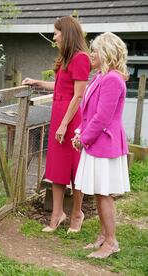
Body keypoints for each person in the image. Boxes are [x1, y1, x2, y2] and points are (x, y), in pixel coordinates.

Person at [22, 16, 90, 232]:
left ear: (67, 33)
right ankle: (57, 213)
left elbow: (78, 95)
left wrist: (63, 125)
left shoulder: (81, 58)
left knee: (75, 169)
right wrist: (37, 81)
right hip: (59, 113)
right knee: (58, 168)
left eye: (56, 33)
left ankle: (77, 213)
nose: (54, 37)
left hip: (71, 119)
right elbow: (60, 87)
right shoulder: (65, 58)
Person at [72, 32, 130, 258]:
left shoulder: (113, 79)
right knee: (98, 191)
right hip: (95, 142)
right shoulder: (99, 76)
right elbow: (89, 113)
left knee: (104, 193)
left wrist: (84, 138)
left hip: (105, 145)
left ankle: (112, 242)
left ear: (106, 53)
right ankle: (102, 236)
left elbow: (102, 118)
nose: (91, 54)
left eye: (95, 50)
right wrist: (80, 132)